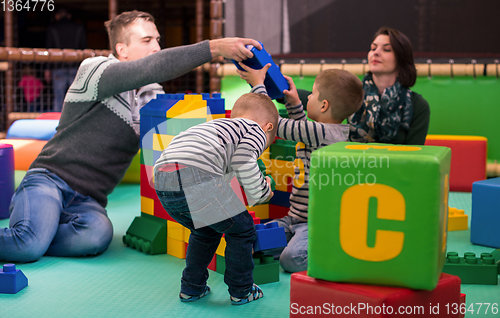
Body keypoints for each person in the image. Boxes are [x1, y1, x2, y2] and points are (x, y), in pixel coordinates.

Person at [0, 10, 262, 264]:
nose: (156, 47)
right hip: (49, 180)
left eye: (158, 40)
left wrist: (258, 90)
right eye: (147, 40)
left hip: (88, 201)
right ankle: (32, 236)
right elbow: (151, 68)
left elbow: (178, 140)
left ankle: (36, 234)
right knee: (28, 245)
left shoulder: (153, 96)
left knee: (97, 236)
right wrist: (214, 48)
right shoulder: (95, 70)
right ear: (121, 49)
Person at [237, 63, 364, 272]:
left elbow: (272, 122)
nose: (308, 98)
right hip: (293, 219)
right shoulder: (328, 131)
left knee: (292, 259)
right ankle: (296, 242)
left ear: (324, 105)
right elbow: (304, 128)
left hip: (314, 225)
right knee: (254, 240)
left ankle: (333, 250)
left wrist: (258, 86)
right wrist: (294, 103)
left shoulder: (323, 133)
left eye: (312, 94)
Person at [154, 93, 277, 305]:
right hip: (196, 176)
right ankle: (242, 290)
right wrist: (262, 191)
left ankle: (192, 288)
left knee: (205, 231)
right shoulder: (255, 130)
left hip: (162, 180)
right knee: (242, 228)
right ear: (267, 127)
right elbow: (245, 160)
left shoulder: (219, 128)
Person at [293, 27, 430, 145]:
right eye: (373, 48)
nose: (376, 52)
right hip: (349, 169)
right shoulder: (352, 94)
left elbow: (414, 159)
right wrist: (283, 90)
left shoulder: (418, 106)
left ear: (402, 58)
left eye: (386, 49)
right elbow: (314, 99)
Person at [45, 6, 88, 112]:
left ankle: (56, 125)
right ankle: (76, 122)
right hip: (76, 68)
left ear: (57, 16)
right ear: (69, 16)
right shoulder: (78, 28)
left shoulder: (52, 28)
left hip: (58, 68)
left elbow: (49, 49)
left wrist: (47, 69)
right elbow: (84, 48)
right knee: (76, 98)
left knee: (59, 98)